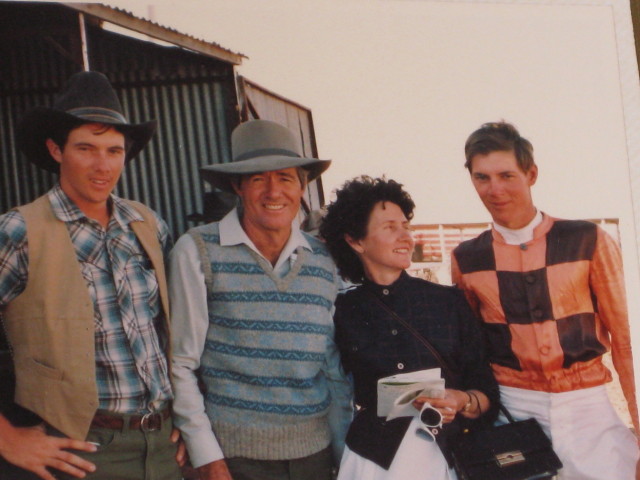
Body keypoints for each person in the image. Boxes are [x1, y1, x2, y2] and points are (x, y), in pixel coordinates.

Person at [0, 71, 184, 480]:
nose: (103, 166)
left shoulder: (148, 225)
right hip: (80, 454)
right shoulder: (19, 231)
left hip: (163, 448)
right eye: (86, 148)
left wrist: (185, 423)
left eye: (114, 151)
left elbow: (172, 335)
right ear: (55, 150)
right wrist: (8, 438)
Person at [451, 121, 640, 480]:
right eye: (482, 178)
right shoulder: (466, 257)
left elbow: (627, 340)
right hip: (514, 409)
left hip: (589, 408)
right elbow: (472, 352)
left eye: (507, 175)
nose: (495, 189)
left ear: (531, 174)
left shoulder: (587, 239)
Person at [169, 119, 353, 480]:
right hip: (232, 459)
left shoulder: (324, 260)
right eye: (258, 179)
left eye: (285, 178)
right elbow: (180, 363)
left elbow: (332, 369)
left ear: (302, 186)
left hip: (314, 459)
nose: (273, 192)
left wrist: (342, 453)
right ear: (238, 186)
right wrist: (206, 455)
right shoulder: (197, 251)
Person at [319, 176, 498, 479]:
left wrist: (463, 400)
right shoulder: (340, 310)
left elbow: (487, 391)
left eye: (406, 226)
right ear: (355, 240)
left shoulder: (449, 302)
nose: (406, 237)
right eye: (390, 227)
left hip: (447, 457)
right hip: (372, 464)